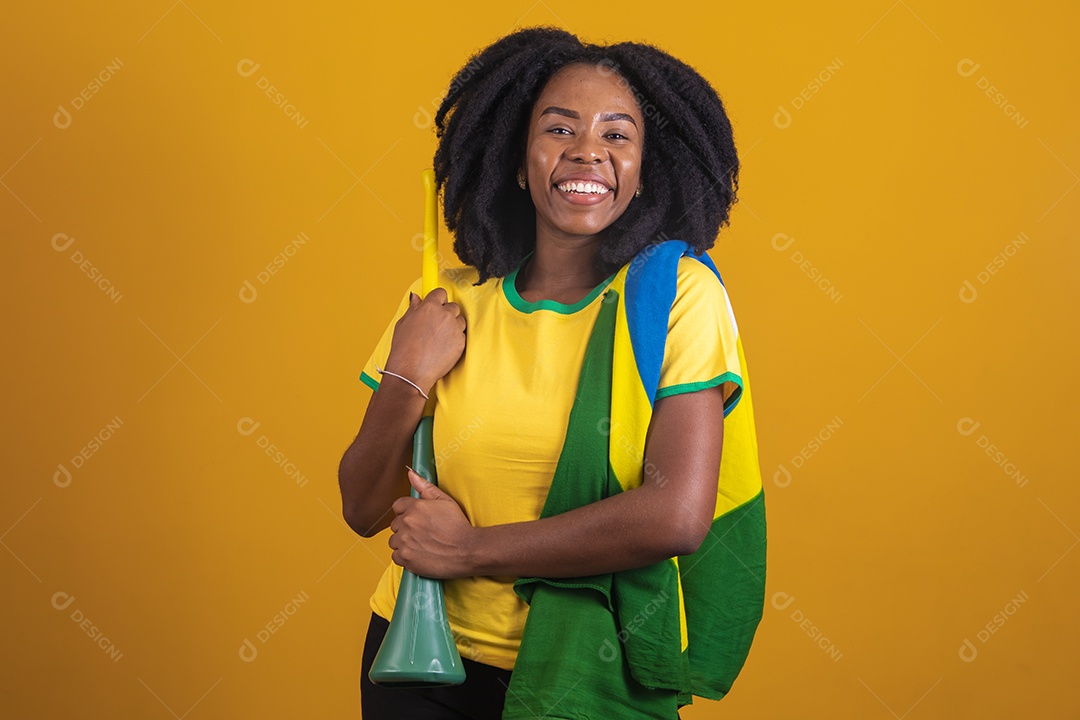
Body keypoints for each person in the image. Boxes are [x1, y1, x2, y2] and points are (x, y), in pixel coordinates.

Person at [338, 27, 766, 720]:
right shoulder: (446, 303)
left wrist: (472, 549)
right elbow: (362, 508)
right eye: (558, 127)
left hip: (583, 668)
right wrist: (406, 376)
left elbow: (675, 516)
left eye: (618, 134)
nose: (587, 150)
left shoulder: (675, 301)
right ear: (517, 159)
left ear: (647, 167)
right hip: (418, 655)